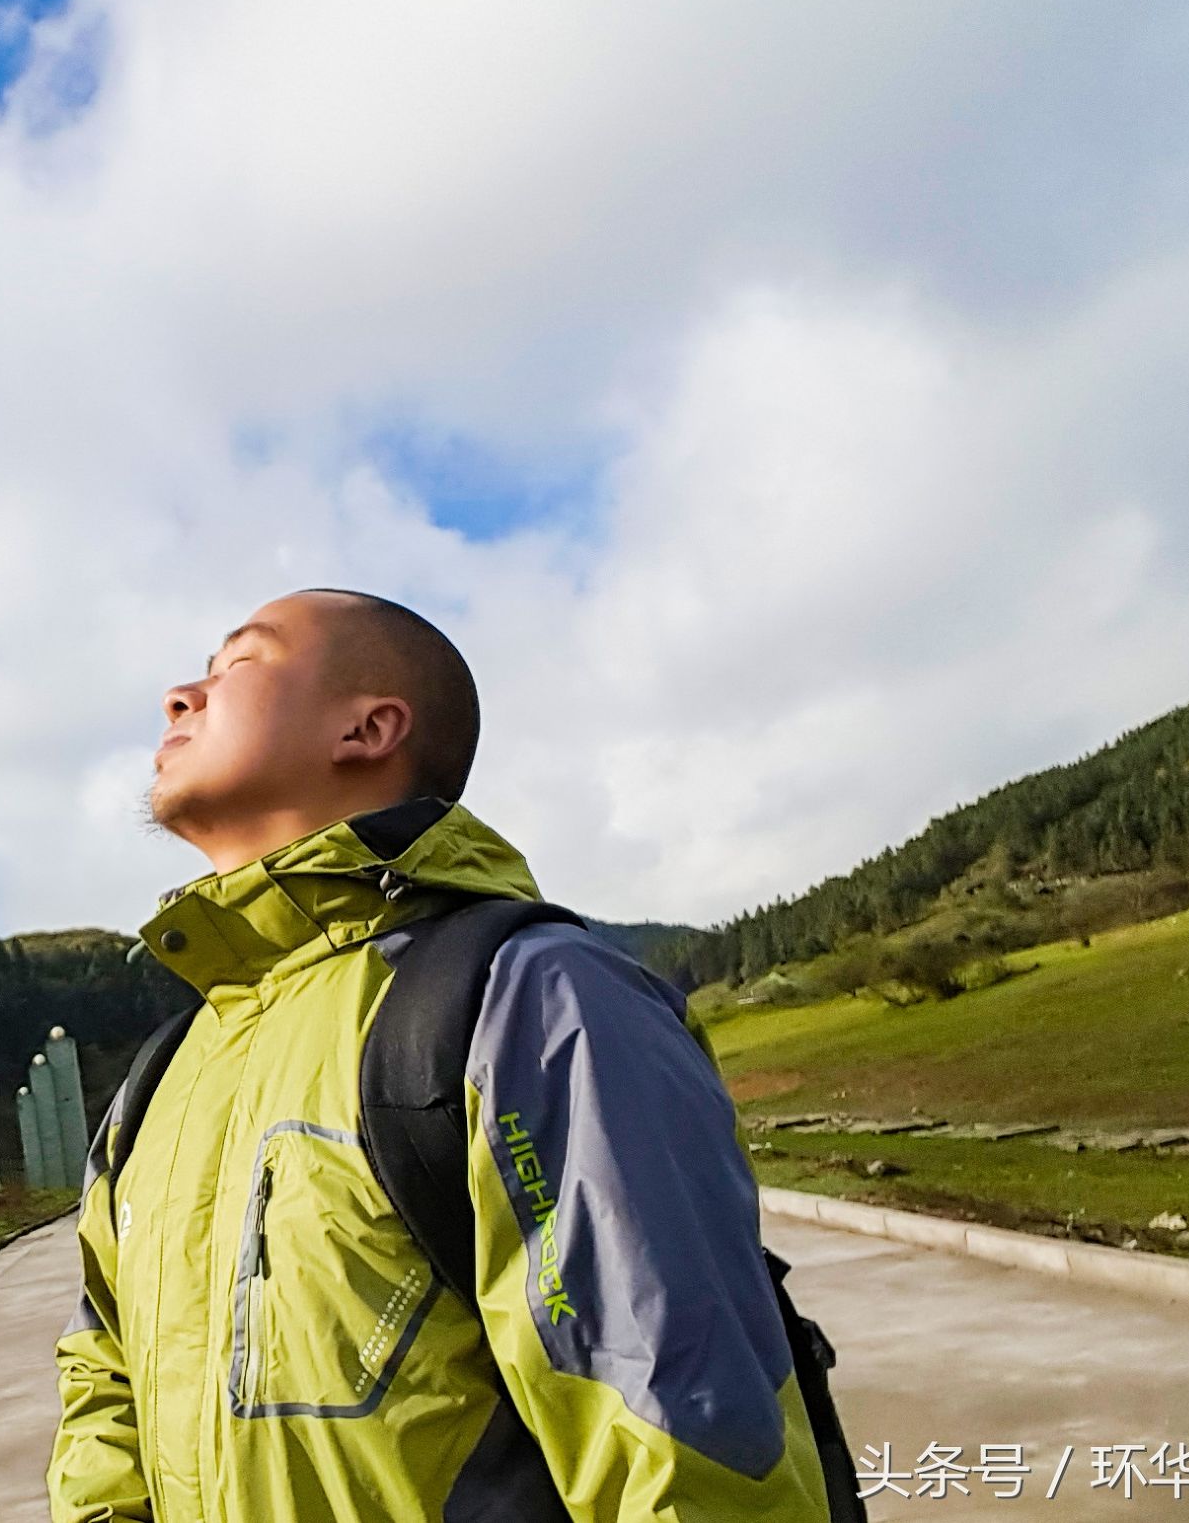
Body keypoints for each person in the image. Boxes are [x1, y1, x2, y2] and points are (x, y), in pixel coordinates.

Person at [47, 589, 837, 1522]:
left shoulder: (529, 999)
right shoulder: (164, 1076)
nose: (181, 695)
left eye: (238, 665)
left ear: (370, 727)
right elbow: (104, 1369)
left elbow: (677, 1428)